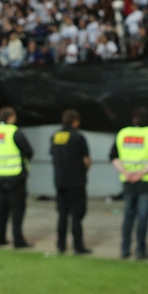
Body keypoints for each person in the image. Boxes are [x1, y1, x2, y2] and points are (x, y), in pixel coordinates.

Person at [110, 106, 148, 260]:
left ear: (134, 119)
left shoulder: (123, 133)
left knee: (128, 216)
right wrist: (140, 174)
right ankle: (140, 250)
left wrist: (126, 173)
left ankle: (125, 249)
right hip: (146, 182)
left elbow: (114, 157)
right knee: (143, 216)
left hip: (127, 181)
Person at [0, 106, 34, 248]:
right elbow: (28, 151)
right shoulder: (15, 132)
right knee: (17, 209)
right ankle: (18, 241)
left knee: (2, 208)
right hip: (15, 175)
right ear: (11, 117)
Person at [50, 108, 91, 254]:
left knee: (62, 214)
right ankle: (78, 246)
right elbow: (86, 160)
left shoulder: (55, 136)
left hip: (60, 181)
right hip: (76, 182)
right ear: (75, 122)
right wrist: (83, 172)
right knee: (77, 215)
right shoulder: (78, 137)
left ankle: (61, 245)